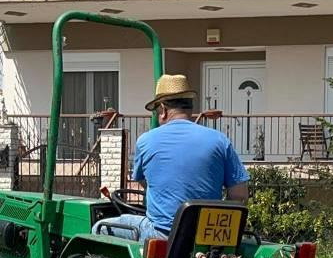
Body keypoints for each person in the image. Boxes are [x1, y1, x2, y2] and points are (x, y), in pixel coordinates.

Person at [92, 74, 249, 241]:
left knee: (99, 228)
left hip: (161, 235)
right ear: (189, 107)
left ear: (163, 109)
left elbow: (146, 183)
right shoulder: (220, 141)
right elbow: (239, 196)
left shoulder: (146, 141)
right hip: (209, 238)